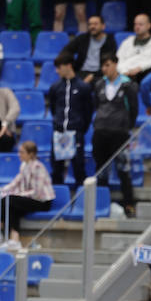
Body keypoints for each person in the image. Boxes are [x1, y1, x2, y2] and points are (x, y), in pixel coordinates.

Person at [92, 55, 139, 210]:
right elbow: (97, 105)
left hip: (119, 132)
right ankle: (101, 203)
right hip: (100, 131)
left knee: (123, 168)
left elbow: (134, 109)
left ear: (115, 64)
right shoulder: (99, 84)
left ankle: (129, 202)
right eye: (102, 66)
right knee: (101, 169)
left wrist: (127, 126)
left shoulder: (128, 85)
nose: (104, 69)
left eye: (107, 65)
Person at [47, 53, 94, 185]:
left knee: (79, 167)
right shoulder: (55, 87)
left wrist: (79, 128)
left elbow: (88, 111)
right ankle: (59, 200)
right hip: (59, 132)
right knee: (56, 168)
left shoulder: (83, 87)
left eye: (59, 67)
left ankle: (82, 201)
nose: (57, 71)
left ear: (69, 66)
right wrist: (58, 123)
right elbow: (53, 107)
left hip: (75, 132)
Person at [61, 14, 118, 82]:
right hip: (81, 72)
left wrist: (93, 76)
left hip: (101, 74)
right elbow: (66, 51)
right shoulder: (82, 38)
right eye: (90, 24)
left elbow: (110, 61)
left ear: (103, 26)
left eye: (95, 24)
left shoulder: (110, 41)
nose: (92, 26)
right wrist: (70, 66)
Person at [116, 13, 151, 80]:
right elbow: (118, 58)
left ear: (149, 25)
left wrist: (140, 68)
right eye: (135, 24)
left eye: (140, 24)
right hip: (124, 74)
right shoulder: (127, 41)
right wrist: (124, 71)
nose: (137, 27)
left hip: (144, 74)